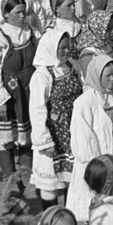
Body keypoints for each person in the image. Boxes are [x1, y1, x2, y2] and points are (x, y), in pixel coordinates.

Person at [69, 55, 113, 224]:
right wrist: (103, 168)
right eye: (108, 76)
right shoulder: (84, 103)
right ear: (97, 76)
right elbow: (84, 142)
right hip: (99, 166)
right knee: (100, 212)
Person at [0, 0, 37, 185]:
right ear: (6, 15)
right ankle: (10, 180)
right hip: (6, 95)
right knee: (6, 138)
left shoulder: (30, 32)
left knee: (26, 135)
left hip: (27, 93)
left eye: (24, 12)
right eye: (17, 13)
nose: (22, 16)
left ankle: (26, 174)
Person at [29, 28, 82, 210]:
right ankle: (50, 219)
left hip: (72, 130)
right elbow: (37, 110)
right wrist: (45, 141)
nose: (66, 51)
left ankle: (69, 219)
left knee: (71, 179)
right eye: (62, 48)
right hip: (54, 135)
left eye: (68, 47)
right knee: (50, 183)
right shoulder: (42, 76)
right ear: (52, 48)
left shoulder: (72, 66)